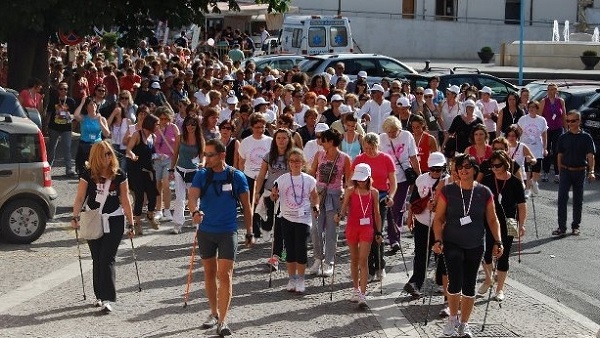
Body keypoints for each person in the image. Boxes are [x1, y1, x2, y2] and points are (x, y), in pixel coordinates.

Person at [432, 153, 503, 338]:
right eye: (460, 167)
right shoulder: (448, 191)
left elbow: (492, 219)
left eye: (468, 166)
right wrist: (438, 239)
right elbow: (438, 218)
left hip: (475, 244)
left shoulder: (484, 192)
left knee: (470, 286)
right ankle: (452, 320)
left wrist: (498, 240)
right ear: (456, 171)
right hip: (452, 242)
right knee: (455, 283)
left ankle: (464, 324)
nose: (464, 170)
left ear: (474, 169)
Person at [188, 139, 253, 337]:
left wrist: (249, 231)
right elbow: (192, 197)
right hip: (206, 231)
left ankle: (223, 321)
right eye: (205, 154)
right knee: (209, 272)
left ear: (222, 155)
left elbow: (247, 206)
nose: (206, 158)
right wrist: (194, 212)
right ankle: (214, 313)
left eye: (210, 155)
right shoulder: (201, 175)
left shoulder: (237, 176)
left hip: (228, 231)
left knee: (225, 275)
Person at [71, 140, 135, 313]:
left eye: (109, 153)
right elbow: (80, 197)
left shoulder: (119, 174)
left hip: (114, 219)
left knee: (107, 258)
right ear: (97, 157)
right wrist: (75, 216)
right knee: (97, 259)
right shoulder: (88, 173)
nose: (108, 157)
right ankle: (99, 296)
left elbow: (125, 199)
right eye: (104, 154)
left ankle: (107, 298)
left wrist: (131, 222)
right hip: (93, 219)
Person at [479, 150, 526, 301]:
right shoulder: (486, 180)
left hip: (510, 221)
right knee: (486, 253)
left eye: (498, 165)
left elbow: (522, 206)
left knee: (504, 256)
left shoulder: (515, 182)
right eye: (492, 165)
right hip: (489, 220)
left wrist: (522, 225)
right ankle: (488, 279)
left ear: (506, 164)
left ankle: (500, 289)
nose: (494, 168)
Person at [271, 148, 319, 293]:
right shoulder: (282, 179)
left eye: (297, 161)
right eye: (291, 161)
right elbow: (274, 194)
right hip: (286, 217)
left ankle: (301, 280)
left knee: (301, 248)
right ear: (288, 163)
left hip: (303, 218)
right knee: (290, 250)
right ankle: (292, 279)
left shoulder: (309, 180)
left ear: (303, 162)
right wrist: (274, 196)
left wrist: (316, 206)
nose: (295, 163)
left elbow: (315, 197)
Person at [335, 163, 382, 309]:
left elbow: (377, 213)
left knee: (363, 260)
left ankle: (362, 294)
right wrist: (339, 216)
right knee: (354, 259)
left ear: (369, 178)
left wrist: (379, 231)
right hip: (352, 227)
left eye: (364, 179)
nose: (361, 182)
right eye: (359, 179)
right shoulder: (350, 191)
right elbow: (343, 209)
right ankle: (355, 290)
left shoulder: (374, 192)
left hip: (367, 228)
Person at [403, 152, 448, 298]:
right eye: (433, 169)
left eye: (439, 169)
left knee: (440, 253)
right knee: (421, 253)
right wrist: (410, 217)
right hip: (423, 221)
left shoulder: (449, 181)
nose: (435, 172)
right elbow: (414, 200)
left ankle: (442, 282)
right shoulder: (421, 179)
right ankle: (416, 283)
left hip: (441, 223)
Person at [353, 133, 396, 281]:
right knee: (366, 233)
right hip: (363, 197)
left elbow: (393, 181)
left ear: (377, 146)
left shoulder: (385, 158)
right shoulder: (359, 159)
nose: (369, 151)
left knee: (377, 231)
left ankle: (379, 265)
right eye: (366, 148)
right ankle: (369, 268)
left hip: (381, 197)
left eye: (372, 148)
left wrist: (391, 196)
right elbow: (352, 180)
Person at [308, 128, 352, 276]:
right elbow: (311, 173)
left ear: (331, 142)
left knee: (332, 231)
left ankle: (329, 262)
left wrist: (346, 196)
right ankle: (318, 258)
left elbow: (348, 180)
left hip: (334, 196)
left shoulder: (345, 158)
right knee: (315, 229)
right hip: (319, 195)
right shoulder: (319, 155)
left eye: (324, 140)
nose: (321, 143)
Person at [379, 116, 420, 253]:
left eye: (394, 132)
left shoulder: (407, 136)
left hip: (402, 177)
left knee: (398, 208)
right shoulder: (382, 138)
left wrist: (418, 177)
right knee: (387, 208)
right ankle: (386, 235)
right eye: (389, 132)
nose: (391, 135)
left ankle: (394, 239)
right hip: (386, 178)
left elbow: (413, 157)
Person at [254, 129, 293, 271]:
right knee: (271, 223)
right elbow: (261, 175)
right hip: (270, 194)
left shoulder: (293, 156)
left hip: (287, 195)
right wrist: (257, 192)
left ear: (289, 140)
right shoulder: (269, 156)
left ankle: (276, 256)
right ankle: (282, 252)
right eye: (278, 138)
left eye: (284, 138)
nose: (281, 141)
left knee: (280, 226)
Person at [553, 110, 596, 237]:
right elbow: (559, 155)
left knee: (578, 200)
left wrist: (591, 171)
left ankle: (575, 226)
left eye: (573, 121)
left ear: (579, 121)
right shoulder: (563, 137)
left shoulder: (586, 137)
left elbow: (590, 155)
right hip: (566, 171)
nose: (570, 123)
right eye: (568, 121)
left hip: (580, 172)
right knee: (562, 200)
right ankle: (561, 227)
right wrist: (560, 171)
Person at [238, 113, 273, 239]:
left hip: (266, 177)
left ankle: (267, 226)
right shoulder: (246, 142)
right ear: (252, 127)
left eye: (262, 127)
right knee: (251, 204)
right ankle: (255, 229)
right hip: (249, 176)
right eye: (257, 127)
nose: (260, 129)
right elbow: (241, 161)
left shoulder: (270, 141)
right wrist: (241, 176)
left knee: (267, 204)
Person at [126, 113, 160, 234]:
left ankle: (150, 215)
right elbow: (128, 149)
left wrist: (158, 156)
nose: (158, 127)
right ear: (151, 124)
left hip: (149, 170)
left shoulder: (153, 137)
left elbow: (153, 153)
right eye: (157, 124)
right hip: (136, 170)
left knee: (153, 196)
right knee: (139, 197)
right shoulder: (137, 134)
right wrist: (133, 155)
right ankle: (138, 223)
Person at [169, 114, 205, 234]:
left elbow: (202, 157)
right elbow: (175, 154)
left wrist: (202, 164)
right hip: (180, 170)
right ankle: (178, 224)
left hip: (194, 172)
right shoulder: (180, 137)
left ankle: (195, 218)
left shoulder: (200, 139)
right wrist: (171, 169)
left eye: (193, 124)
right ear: (185, 125)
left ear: (196, 126)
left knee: (194, 198)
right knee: (179, 198)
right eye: (188, 124)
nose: (190, 126)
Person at [154, 106, 180, 222]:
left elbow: (178, 143)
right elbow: (151, 144)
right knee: (157, 185)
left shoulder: (173, 127)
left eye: (166, 119)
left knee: (166, 184)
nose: (164, 121)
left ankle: (167, 210)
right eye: (161, 119)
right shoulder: (155, 128)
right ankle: (158, 210)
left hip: (170, 159)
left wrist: (177, 158)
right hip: (156, 160)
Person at [517, 100, 548, 197]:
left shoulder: (541, 120)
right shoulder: (523, 119)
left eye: (534, 107)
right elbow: (518, 132)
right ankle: (527, 189)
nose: (531, 109)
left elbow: (544, 135)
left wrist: (545, 148)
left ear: (537, 109)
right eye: (530, 107)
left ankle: (533, 182)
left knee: (537, 171)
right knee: (527, 170)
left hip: (537, 148)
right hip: (526, 148)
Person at [74, 96, 111, 174]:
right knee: (84, 171)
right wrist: (82, 103)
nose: (93, 106)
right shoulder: (84, 118)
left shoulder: (102, 118)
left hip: (97, 146)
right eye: (90, 104)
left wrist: (100, 122)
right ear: (87, 107)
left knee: (97, 170)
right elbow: (76, 115)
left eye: (94, 104)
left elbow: (107, 134)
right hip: (84, 146)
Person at [47, 81, 77, 177]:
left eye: (65, 89)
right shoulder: (53, 100)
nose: (63, 91)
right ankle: (48, 167)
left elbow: (74, 115)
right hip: (53, 127)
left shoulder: (71, 101)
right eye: (61, 89)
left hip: (66, 128)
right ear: (58, 90)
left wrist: (71, 121)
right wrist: (45, 126)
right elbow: (49, 113)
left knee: (67, 147)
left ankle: (69, 169)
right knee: (52, 148)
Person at [539, 83, 567, 184]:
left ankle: (557, 173)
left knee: (557, 150)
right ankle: (545, 172)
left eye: (553, 89)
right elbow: (539, 116)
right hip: (547, 129)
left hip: (558, 128)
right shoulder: (543, 101)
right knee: (546, 150)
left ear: (556, 91)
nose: (551, 91)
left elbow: (564, 116)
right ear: (547, 91)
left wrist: (566, 129)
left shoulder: (561, 101)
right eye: (549, 89)